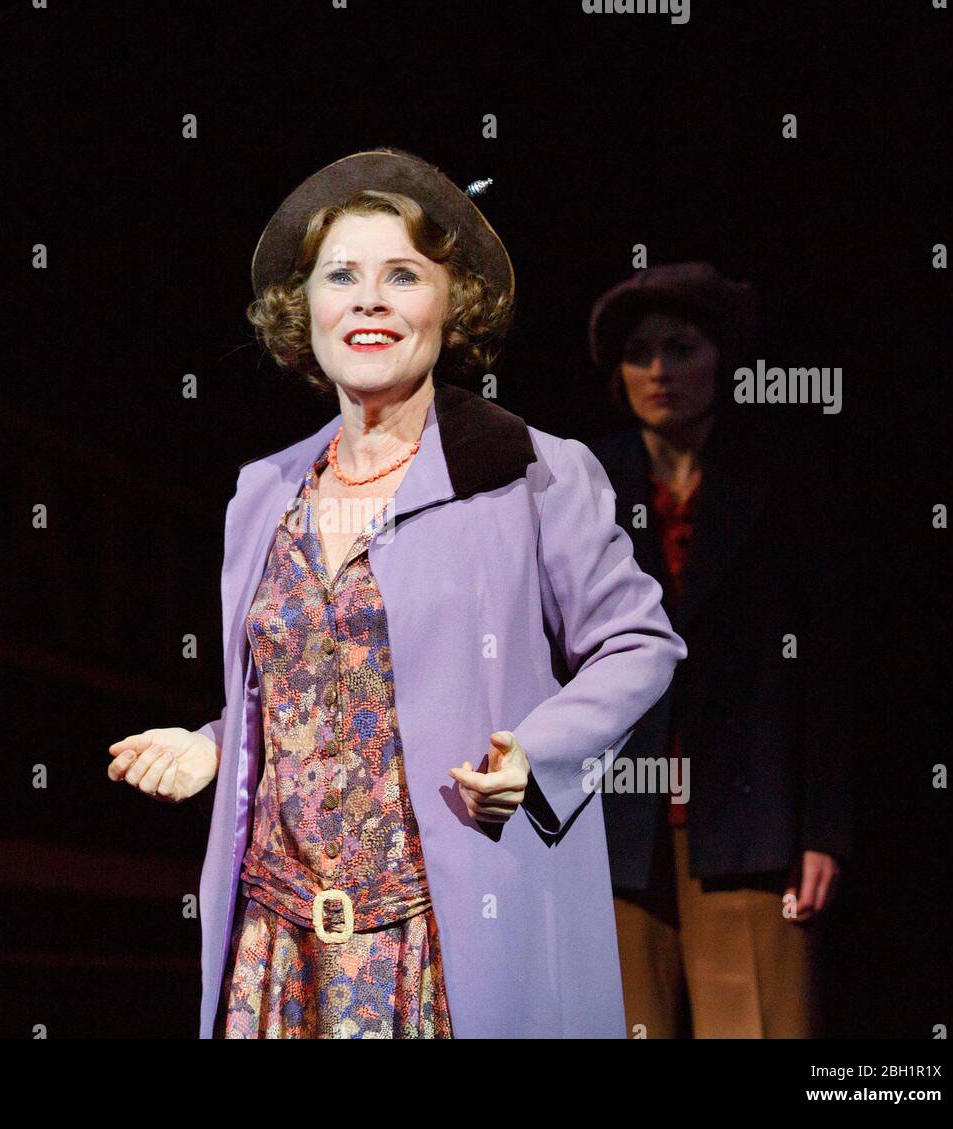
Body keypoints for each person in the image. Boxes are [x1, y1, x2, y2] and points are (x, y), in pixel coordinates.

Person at [109, 147, 686, 1038]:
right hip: (279, 944)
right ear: (306, 310)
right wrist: (217, 742)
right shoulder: (263, 492)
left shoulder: (529, 472)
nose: (369, 298)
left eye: (402, 274)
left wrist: (537, 756)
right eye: (341, 274)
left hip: (441, 943)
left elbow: (640, 643)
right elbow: (320, 684)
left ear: (450, 305)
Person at [585, 261, 855, 1038]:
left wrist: (821, 828)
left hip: (748, 824)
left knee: (759, 1025)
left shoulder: (783, 480)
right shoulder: (579, 487)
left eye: (682, 346)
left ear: (722, 359)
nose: (661, 370)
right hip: (613, 827)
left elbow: (825, 672)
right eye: (640, 352)